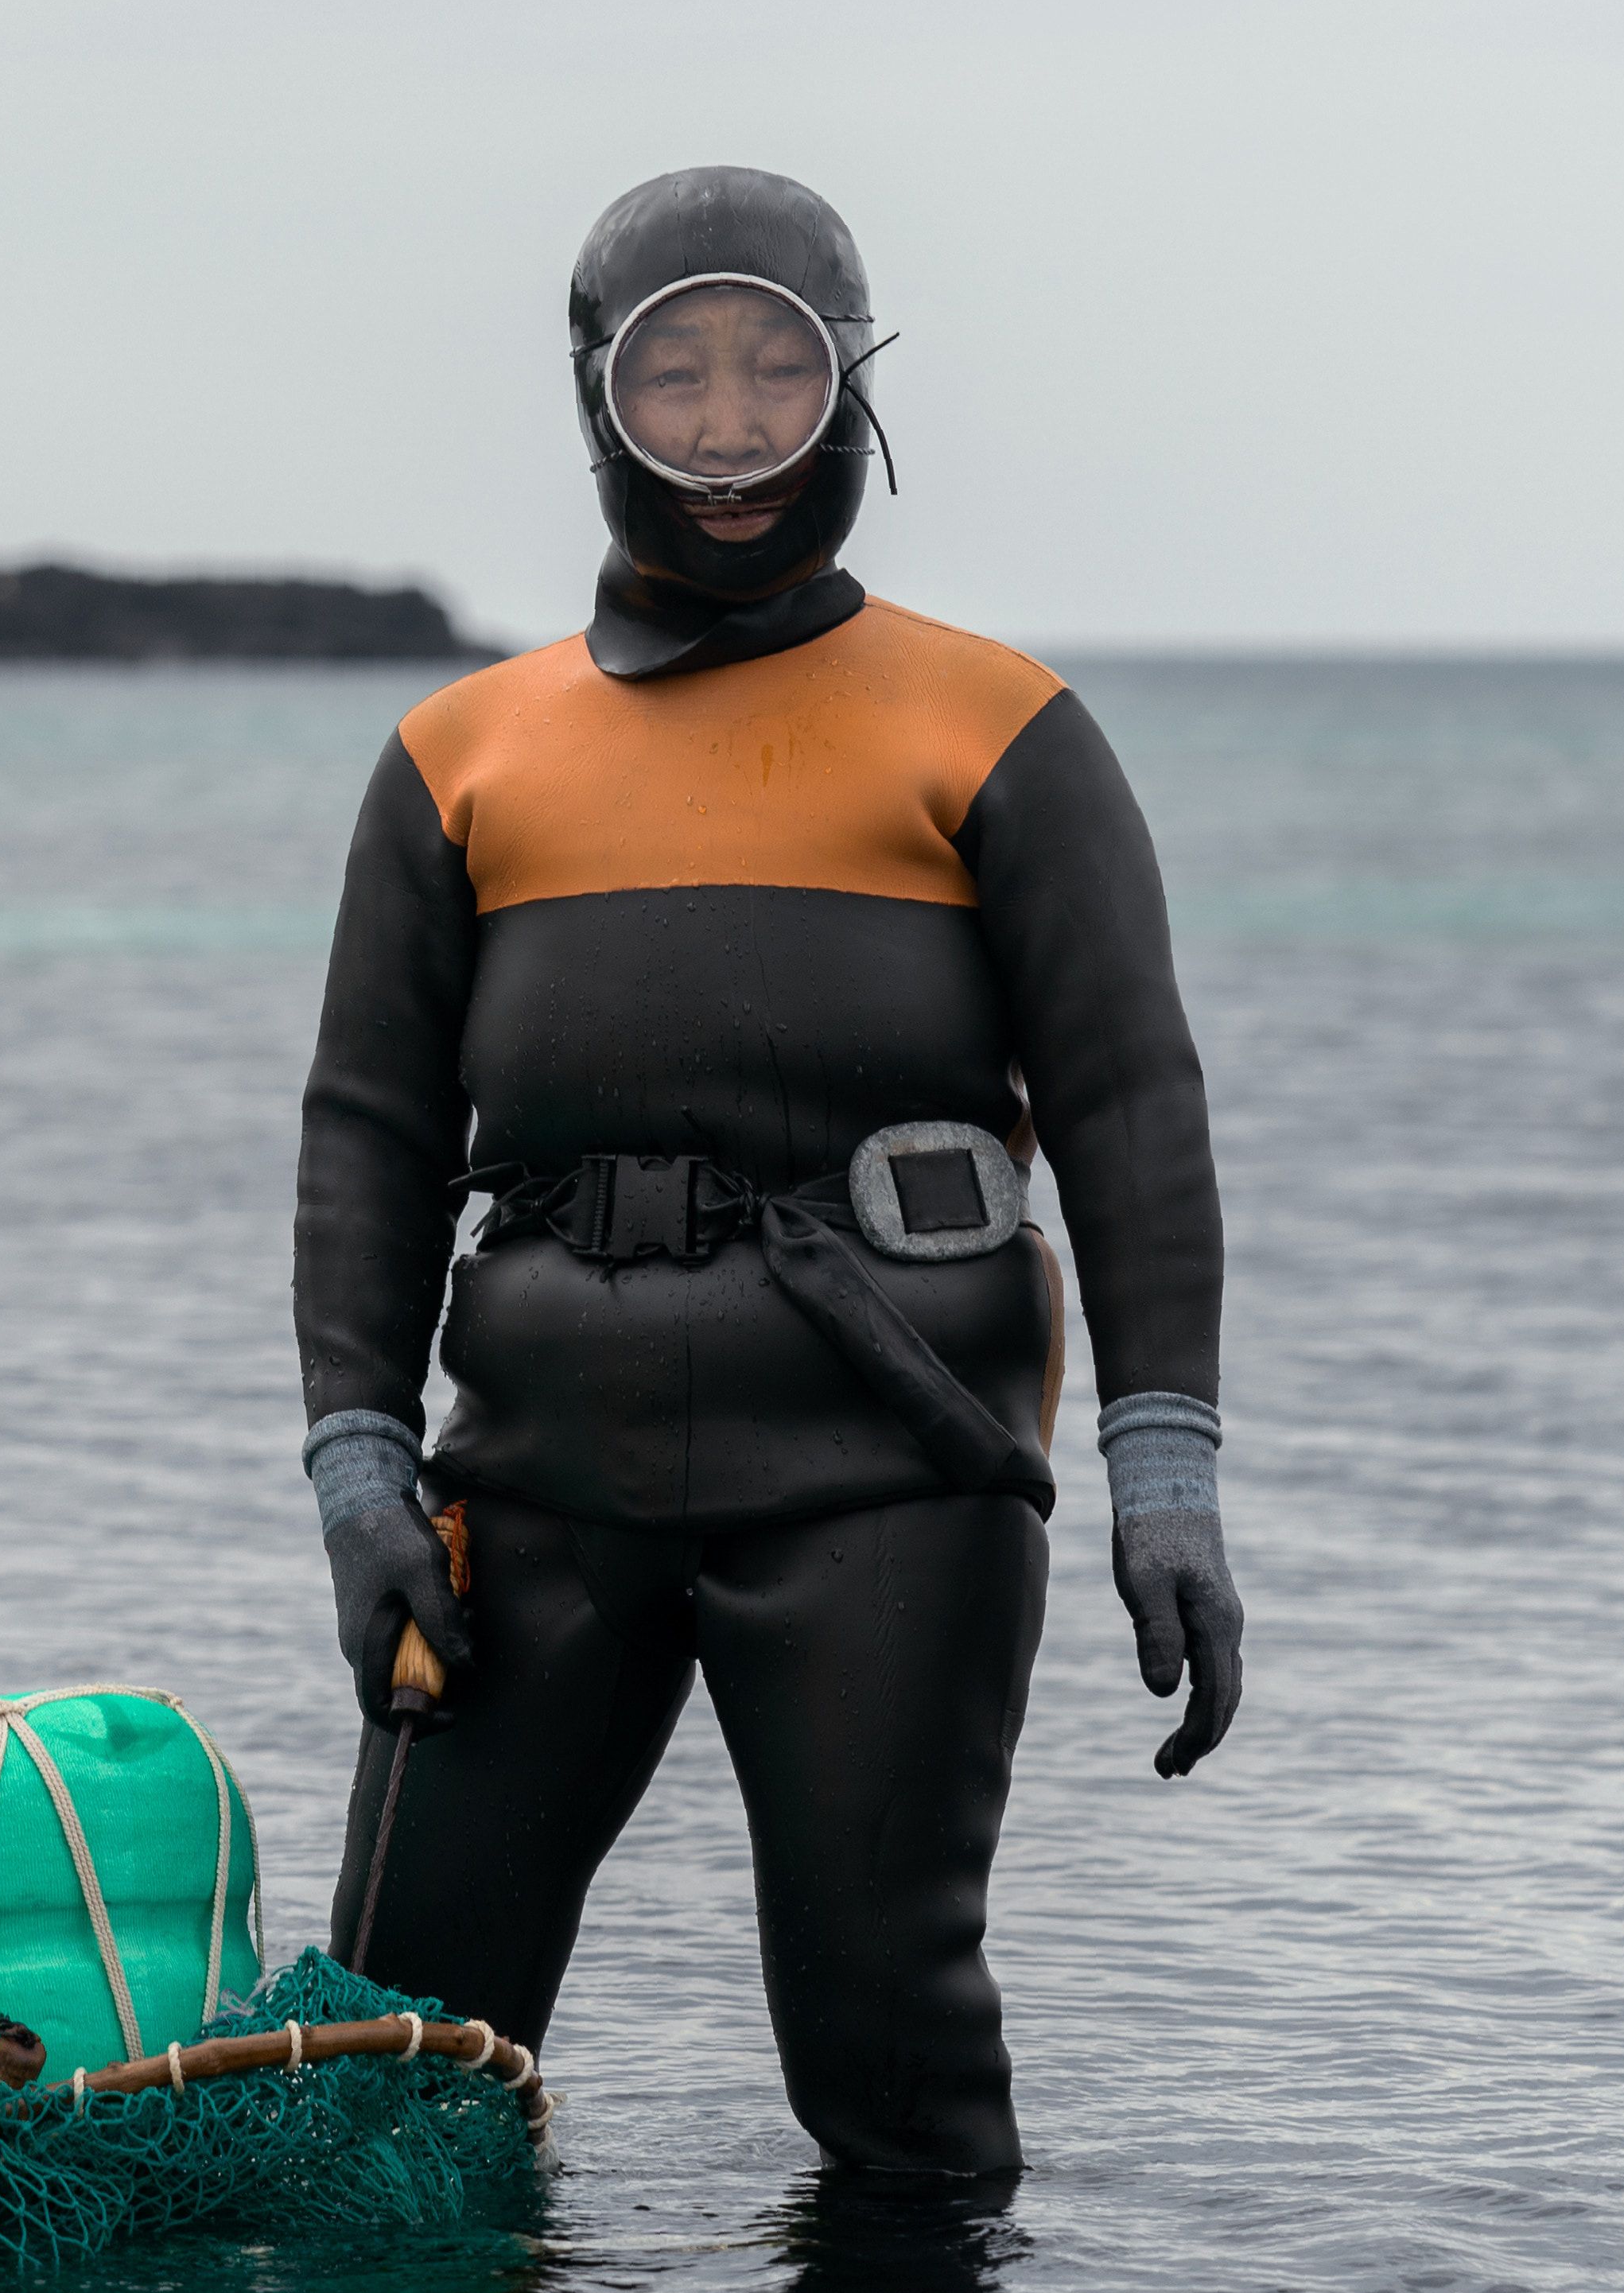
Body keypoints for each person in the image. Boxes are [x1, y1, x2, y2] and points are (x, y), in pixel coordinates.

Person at [293, 165, 1237, 2174]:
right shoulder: (464, 749)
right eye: (676, 378)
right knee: (399, 2053)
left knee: (885, 2038)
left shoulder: (1001, 728)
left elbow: (1133, 1107)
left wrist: (1167, 1471)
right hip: (532, 1484)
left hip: (885, 1474)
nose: (727, 433)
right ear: (597, 399)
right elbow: (367, 1135)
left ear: (851, 392)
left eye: (777, 374)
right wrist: (361, 1468)